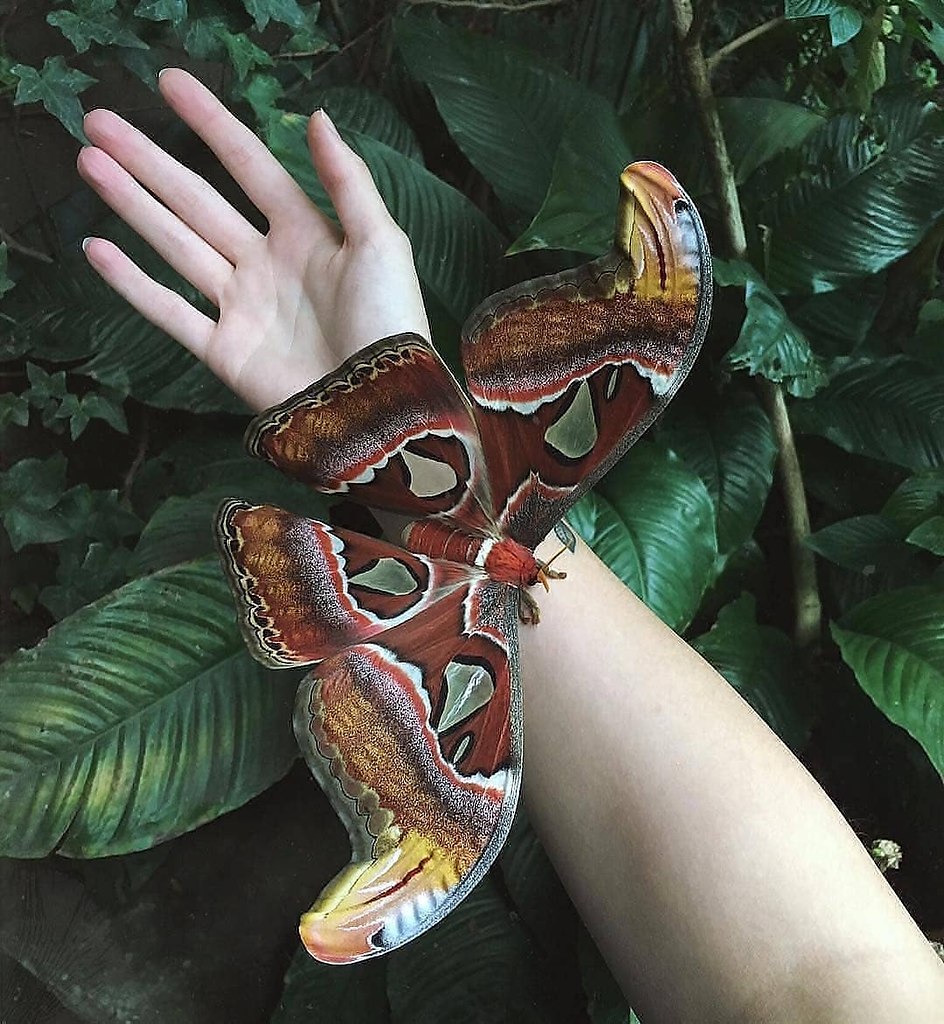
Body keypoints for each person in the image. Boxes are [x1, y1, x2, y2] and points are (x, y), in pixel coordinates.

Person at [77, 69, 944, 1022]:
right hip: (447, 521)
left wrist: (407, 447)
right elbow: (826, 977)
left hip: (446, 532)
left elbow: (826, 976)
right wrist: (390, 399)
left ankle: (347, 546)